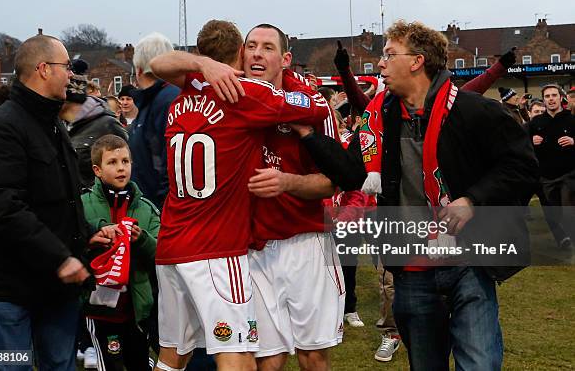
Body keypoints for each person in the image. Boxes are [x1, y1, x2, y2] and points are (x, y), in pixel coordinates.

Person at [289, 20, 538, 371]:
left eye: (389, 54)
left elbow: (522, 167)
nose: (380, 63)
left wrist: (472, 200)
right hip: (411, 268)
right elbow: (351, 174)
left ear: (417, 61)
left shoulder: (474, 111)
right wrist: (308, 135)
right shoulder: (379, 118)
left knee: (480, 364)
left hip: (468, 261)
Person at [149, 19, 330, 371]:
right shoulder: (246, 93)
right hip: (217, 247)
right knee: (239, 354)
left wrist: (201, 64)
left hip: (171, 243)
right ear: (239, 53)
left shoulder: (188, 88)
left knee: (173, 355)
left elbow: (157, 64)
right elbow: (316, 108)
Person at [0, 34, 113, 371]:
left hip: (56, 287)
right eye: (66, 67)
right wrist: (60, 257)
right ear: (43, 69)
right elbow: (3, 206)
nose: (72, 76)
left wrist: (86, 234)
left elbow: (60, 198)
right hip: (11, 286)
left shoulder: (52, 123)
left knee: (59, 364)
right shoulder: (2, 129)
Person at [242, 24, 343, 371]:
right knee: (267, 359)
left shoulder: (313, 105)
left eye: (267, 47)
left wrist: (286, 182)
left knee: (312, 355)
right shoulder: (231, 97)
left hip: (306, 242)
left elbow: (332, 182)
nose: (257, 53)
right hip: (253, 248)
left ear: (285, 59)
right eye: (250, 46)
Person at [81, 134, 159, 371]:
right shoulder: (83, 205)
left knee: (139, 364)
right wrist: (92, 240)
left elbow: (162, 254)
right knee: (111, 366)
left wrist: (142, 240)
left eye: (125, 161)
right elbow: (66, 245)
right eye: (112, 163)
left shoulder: (146, 208)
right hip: (100, 311)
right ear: (97, 169)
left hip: (137, 310)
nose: (121, 168)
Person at [130, 33, 180, 209]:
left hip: (160, 211)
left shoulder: (166, 101)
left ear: (139, 69)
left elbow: (171, 164)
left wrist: (159, 210)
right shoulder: (151, 101)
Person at [60, 59, 129, 188]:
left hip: (101, 204)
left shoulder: (107, 125)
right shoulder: (59, 126)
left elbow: (128, 167)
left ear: (67, 98)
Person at [528, 84, 575, 251]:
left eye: (554, 95)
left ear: (560, 98)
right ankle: (564, 238)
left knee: (568, 206)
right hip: (547, 177)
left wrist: (573, 141)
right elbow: (522, 144)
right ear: (544, 100)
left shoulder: (571, 119)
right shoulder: (536, 123)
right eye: (547, 96)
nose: (551, 99)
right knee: (555, 213)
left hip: (569, 174)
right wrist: (531, 142)